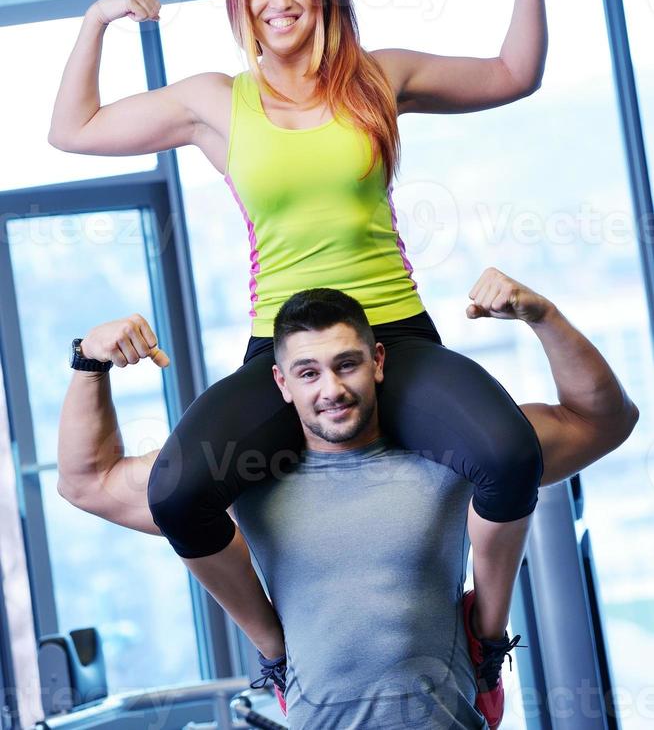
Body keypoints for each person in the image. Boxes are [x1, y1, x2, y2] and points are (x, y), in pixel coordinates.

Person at [49, 0, 550, 723]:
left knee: (508, 453)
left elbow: (513, 72)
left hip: (391, 337)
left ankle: (485, 643)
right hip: (282, 354)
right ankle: (278, 656)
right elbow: (71, 130)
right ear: (239, 1)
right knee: (180, 494)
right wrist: (96, 20)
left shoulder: (378, 79)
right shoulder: (216, 102)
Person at [57, 268, 638, 729]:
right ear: (281, 384)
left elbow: (605, 421)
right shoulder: (249, 483)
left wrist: (545, 316)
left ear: (378, 362)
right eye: (307, 373)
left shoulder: (448, 460)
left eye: (347, 364)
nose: (331, 389)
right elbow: (87, 482)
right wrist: (88, 363)